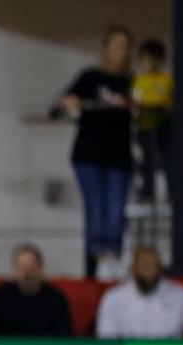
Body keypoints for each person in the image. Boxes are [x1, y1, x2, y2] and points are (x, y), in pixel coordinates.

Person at [60, 26, 134, 278]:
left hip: (119, 157)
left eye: (124, 46)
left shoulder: (131, 82)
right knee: (95, 209)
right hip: (88, 154)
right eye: (115, 45)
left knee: (116, 211)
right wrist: (71, 102)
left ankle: (114, 257)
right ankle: (98, 261)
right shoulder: (90, 77)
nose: (120, 51)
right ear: (105, 49)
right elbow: (64, 102)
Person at [0, 244, 72, 336]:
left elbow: (67, 338)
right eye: (22, 267)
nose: (27, 273)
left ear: (40, 268)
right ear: (15, 269)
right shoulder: (2, 296)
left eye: (31, 267)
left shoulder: (55, 299)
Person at [97, 246, 183, 338]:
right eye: (145, 265)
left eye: (153, 265)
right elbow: (107, 340)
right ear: (133, 268)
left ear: (160, 269)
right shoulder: (113, 297)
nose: (149, 270)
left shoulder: (180, 295)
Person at [133, 38, 173, 203]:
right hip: (145, 127)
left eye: (153, 59)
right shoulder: (138, 81)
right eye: (146, 59)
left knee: (169, 160)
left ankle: (173, 193)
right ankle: (147, 192)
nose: (149, 63)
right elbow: (135, 102)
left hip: (164, 126)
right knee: (147, 161)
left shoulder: (167, 80)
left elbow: (169, 102)